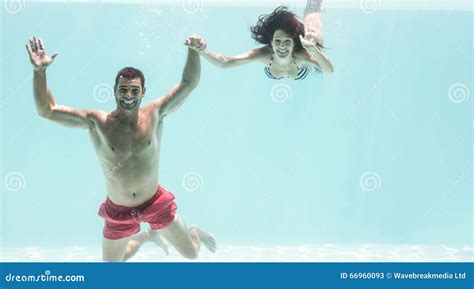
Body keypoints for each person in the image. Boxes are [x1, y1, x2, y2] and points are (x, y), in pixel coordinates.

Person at [25, 35, 216, 262]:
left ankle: (193, 231)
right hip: (118, 209)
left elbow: (189, 83)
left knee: (191, 254)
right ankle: (146, 237)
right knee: (112, 267)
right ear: (114, 90)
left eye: (134, 91)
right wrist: (40, 72)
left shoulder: (155, 113)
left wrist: (194, 51)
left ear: (143, 92)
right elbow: (47, 110)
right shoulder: (97, 121)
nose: (128, 96)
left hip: (154, 202)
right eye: (123, 90)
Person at [194, 0, 333, 80]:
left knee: (312, 19)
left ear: (293, 43)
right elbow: (225, 62)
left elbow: (328, 71)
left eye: (287, 42)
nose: (282, 47)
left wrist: (313, 50)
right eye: (278, 41)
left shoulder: (302, 54)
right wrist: (203, 52)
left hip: (308, 48)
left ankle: (314, 6)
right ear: (271, 42)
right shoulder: (263, 54)